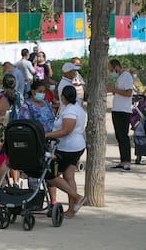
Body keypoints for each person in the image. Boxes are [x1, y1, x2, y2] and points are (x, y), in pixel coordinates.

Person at [46, 86, 87, 218]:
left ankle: (77, 197)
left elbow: (65, 131)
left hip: (68, 148)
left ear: (63, 97)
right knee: (69, 177)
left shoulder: (70, 111)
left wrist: (46, 135)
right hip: (75, 146)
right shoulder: (76, 108)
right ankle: (71, 210)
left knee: (51, 175)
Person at [18, 80, 57, 211]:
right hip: (34, 143)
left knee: (50, 172)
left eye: (44, 92)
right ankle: (33, 200)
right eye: (39, 92)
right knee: (35, 172)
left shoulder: (46, 105)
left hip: (48, 141)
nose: (42, 94)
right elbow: (23, 125)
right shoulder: (26, 107)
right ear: (33, 91)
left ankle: (53, 201)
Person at [107, 59, 133, 172]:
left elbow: (128, 93)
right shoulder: (120, 77)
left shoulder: (126, 76)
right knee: (119, 136)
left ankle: (127, 161)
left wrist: (114, 90)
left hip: (123, 111)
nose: (111, 71)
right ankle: (123, 160)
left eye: (111, 69)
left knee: (123, 136)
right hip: (117, 110)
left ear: (116, 66)